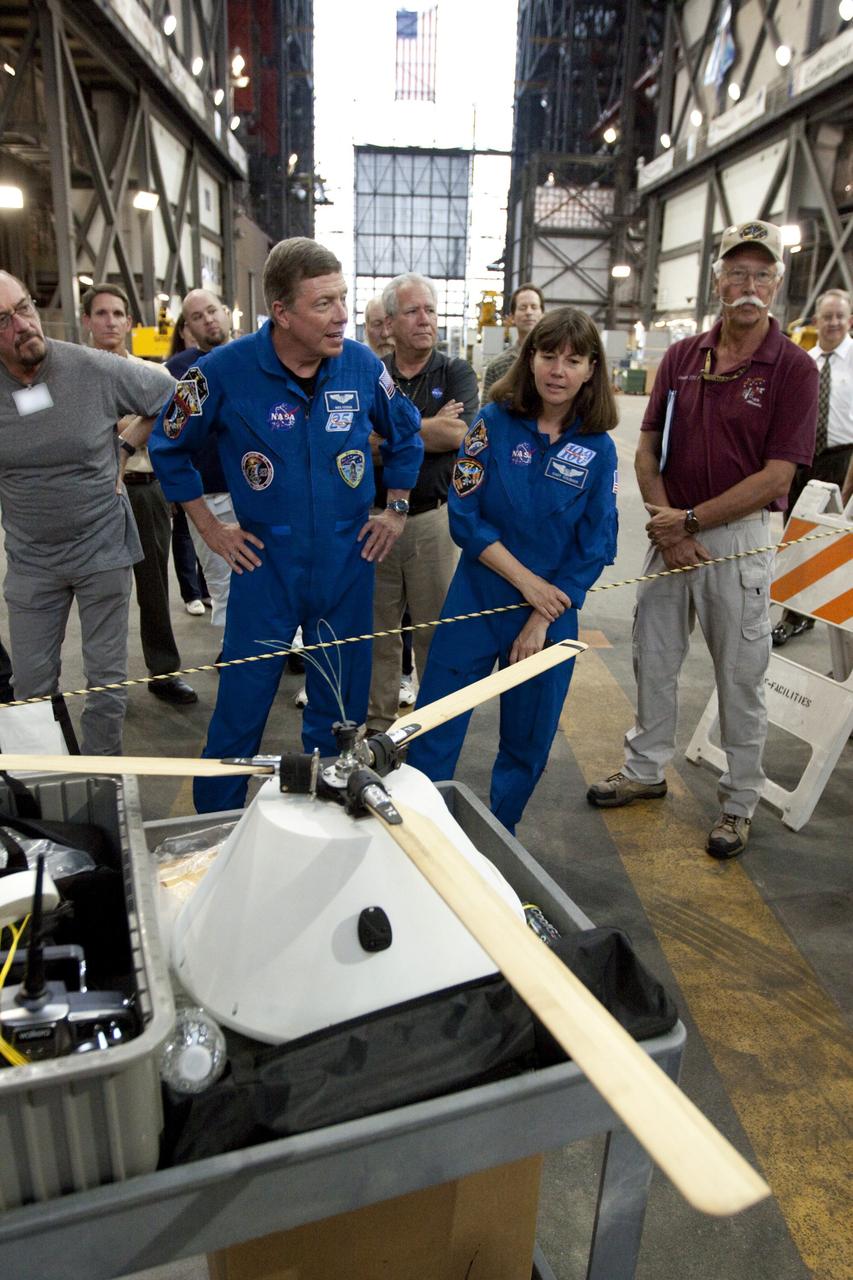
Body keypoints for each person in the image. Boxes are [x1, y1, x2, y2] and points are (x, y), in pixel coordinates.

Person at [149, 237, 423, 812]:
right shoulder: (219, 372)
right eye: (323, 303)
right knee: (239, 715)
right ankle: (215, 832)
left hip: (348, 566)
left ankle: (323, 824)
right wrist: (211, 529)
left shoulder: (362, 365)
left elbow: (406, 434)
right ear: (282, 313)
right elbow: (167, 448)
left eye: (343, 298)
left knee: (339, 721)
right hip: (264, 568)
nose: (343, 315)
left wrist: (395, 509)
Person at [587, 220, 818, 859]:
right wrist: (669, 522)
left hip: (735, 541)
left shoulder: (793, 369)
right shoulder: (685, 357)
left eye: (761, 274)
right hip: (671, 528)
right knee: (653, 658)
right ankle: (644, 771)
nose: (749, 285)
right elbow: (644, 450)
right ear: (717, 279)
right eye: (737, 272)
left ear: (776, 283)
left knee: (741, 676)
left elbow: (779, 473)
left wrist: (693, 524)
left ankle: (739, 801)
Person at [408, 308, 618, 835]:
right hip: (477, 599)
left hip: (550, 617)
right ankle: (419, 836)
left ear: (592, 369)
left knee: (528, 739)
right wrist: (528, 585)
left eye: (574, 360)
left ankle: (499, 837)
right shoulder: (493, 423)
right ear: (531, 358)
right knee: (436, 722)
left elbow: (595, 545)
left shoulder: (599, 450)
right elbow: (464, 516)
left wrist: (542, 616)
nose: (558, 370)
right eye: (548, 355)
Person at [0, 270, 173, 753]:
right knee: (29, 691)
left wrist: (124, 444)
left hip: (102, 550)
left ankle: (103, 785)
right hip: (32, 563)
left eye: (25, 308)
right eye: (3, 321)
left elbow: (176, 396)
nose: (23, 326)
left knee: (105, 688)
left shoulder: (92, 368)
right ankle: (48, 797)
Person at [366, 272, 479, 733]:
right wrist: (427, 428)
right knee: (380, 633)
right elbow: (357, 444)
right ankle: (377, 726)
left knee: (435, 629)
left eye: (430, 310)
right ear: (389, 323)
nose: (424, 320)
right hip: (373, 520)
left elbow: (459, 434)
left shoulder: (455, 372)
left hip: (433, 519)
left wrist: (390, 435)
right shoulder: (371, 374)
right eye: (412, 311)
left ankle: (431, 728)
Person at [81, 284, 197, 705]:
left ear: (129, 322)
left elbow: (177, 416)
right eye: (101, 313)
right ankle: (105, 681)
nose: (109, 321)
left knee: (153, 586)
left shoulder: (152, 375)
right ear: (87, 321)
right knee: (101, 591)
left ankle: (163, 672)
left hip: (145, 490)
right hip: (94, 494)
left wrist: (128, 436)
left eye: (117, 314)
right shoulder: (75, 374)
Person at [772, 288, 853, 645]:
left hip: (844, 458)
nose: (833, 322)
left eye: (840, 316)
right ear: (816, 321)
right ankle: (795, 615)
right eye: (827, 316)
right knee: (798, 537)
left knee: (838, 542)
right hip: (803, 459)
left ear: (849, 321)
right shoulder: (806, 361)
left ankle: (838, 617)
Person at [165, 289, 235, 627]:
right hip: (207, 494)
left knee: (277, 574)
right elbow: (161, 429)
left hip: (261, 489)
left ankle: (288, 647)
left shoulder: (254, 358)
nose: (208, 319)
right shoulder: (178, 371)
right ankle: (232, 651)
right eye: (197, 316)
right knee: (221, 580)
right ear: (188, 327)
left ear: (224, 311)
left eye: (212, 311)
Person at [482, 283, 544, 397]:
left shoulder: (555, 362)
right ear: (512, 317)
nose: (529, 312)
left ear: (542, 314)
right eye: (523, 307)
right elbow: (485, 413)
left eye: (534, 307)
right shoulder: (497, 366)